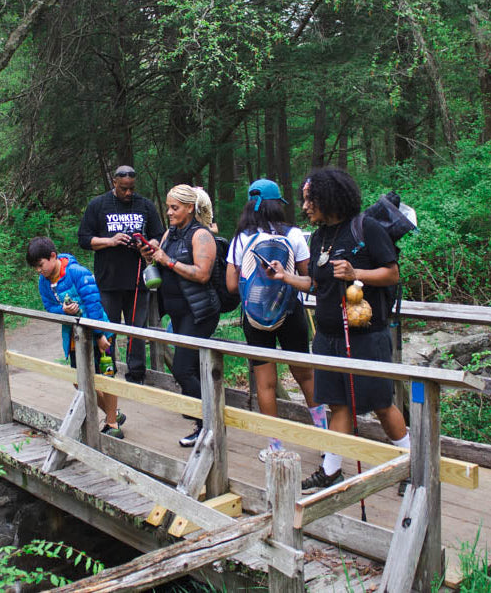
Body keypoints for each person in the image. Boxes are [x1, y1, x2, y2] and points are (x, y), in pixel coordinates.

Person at [266, 168, 410, 493]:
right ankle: (331, 471)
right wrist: (285, 277)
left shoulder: (366, 228)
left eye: (309, 199)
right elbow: (317, 285)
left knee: (381, 403)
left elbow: (392, 274)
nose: (305, 206)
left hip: (365, 335)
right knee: (337, 404)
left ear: (328, 197)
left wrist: (356, 271)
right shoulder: (318, 237)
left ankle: (412, 463)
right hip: (328, 336)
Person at [226, 179, 328, 462]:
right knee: (306, 376)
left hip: (255, 316)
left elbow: (232, 286)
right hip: (290, 311)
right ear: (277, 204)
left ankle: (275, 446)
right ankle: (325, 440)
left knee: (265, 382)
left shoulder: (239, 239)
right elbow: (310, 278)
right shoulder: (294, 234)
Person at [26, 236, 125, 438]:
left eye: (40, 265)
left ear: (52, 256)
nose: (39, 270)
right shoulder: (44, 282)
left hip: (98, 331)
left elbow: (94, 304)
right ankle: (112, 414)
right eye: (35, 267)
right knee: (78, 379)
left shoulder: (77, 272)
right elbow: (49, 308)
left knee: (106, 377)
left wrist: (99, 335)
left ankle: (113, 424)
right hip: (74, 336)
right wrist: (64, 311)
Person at [78, 166, 165, 384]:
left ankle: (136, 375)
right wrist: (111, 241)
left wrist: (148, 246)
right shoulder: (98, 205)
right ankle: (107, 371)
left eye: (131, 189)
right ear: (114, 183)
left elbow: (159, 235)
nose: (128, 193)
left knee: (137, 329)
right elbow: (84, 239)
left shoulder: (145, 205)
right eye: (124, 188)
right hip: (109, 280)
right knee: (108, 328)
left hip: (138, 280)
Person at [150, 185, 221, 447]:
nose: (168, 212)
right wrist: (153, 252)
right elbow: (165, 258)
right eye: (168, 207)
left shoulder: (201, 235)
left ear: (190, 208)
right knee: (190, 369)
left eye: (174, 208)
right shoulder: (172, 232)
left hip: (199, 311)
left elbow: (202, 274)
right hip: (178, 312)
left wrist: (168, 261)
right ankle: (206, 421)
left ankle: (208, 425)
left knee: (183, 368)